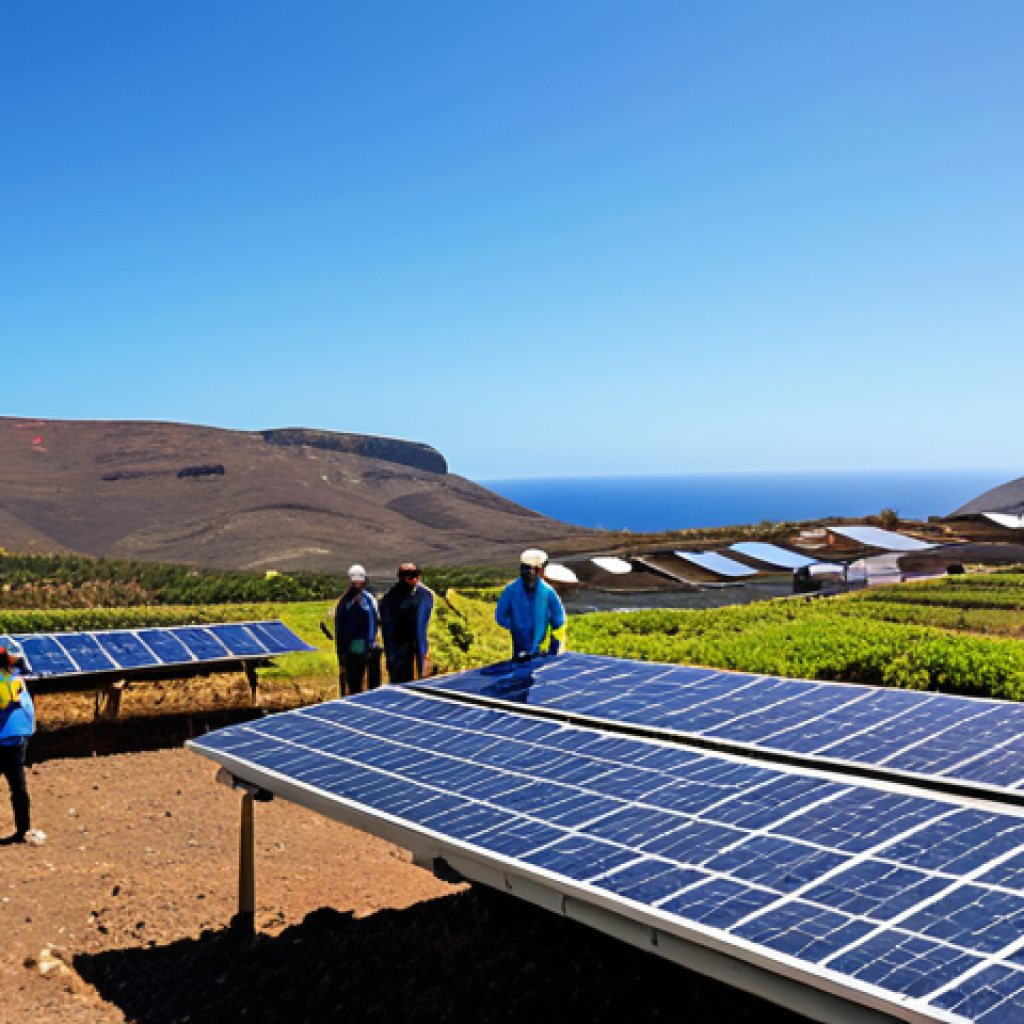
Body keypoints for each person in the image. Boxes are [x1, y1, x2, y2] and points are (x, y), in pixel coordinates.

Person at [496, 549, 568, 658]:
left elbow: (559, 621)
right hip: (519, 649)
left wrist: (553, 648)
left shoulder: (547, 592)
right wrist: (517, 628)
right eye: (526, 570)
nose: (529, 574)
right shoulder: (511, 591)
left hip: (542, 652)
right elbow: (500, 616)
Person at [0, 646, 39, 845]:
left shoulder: (5, 681)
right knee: (18, 787)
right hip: (17, 739)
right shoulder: (16, 678)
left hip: (4, 737)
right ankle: (23, 829)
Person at [329, 565, 381, 696]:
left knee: (373, 683)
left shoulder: (369, 599)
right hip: (352, 646)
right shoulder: (344, 602)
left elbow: (374, 621)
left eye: (359, 581)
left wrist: (372, 642)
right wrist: (342, 651)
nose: (357, 584)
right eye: (355, 581)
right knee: (353, 682)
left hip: (368, 645)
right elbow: (340, 626)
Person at [380, 564, 435, 683]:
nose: (414, 579)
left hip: (418, 646)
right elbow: (387, 628)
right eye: (410, 575)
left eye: (416, 575)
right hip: (399, 648)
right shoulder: (390, 598)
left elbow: (425, 624)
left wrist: (425, 651)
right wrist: (391, 656)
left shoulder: (424, 595)